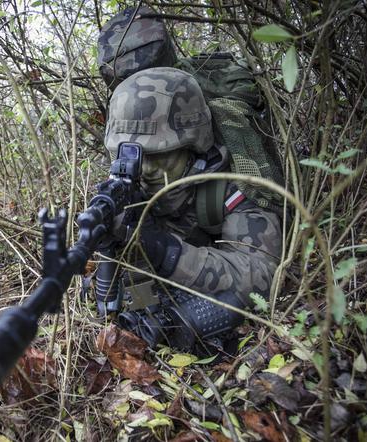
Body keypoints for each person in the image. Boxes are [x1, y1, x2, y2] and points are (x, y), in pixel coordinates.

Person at [100, 66, 283, 355]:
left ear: (192, 143)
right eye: (132, 153)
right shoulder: (128, 182)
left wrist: (166, 252)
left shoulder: (234, 181)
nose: (144, 169)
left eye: (157, 154)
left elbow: (264, 274)